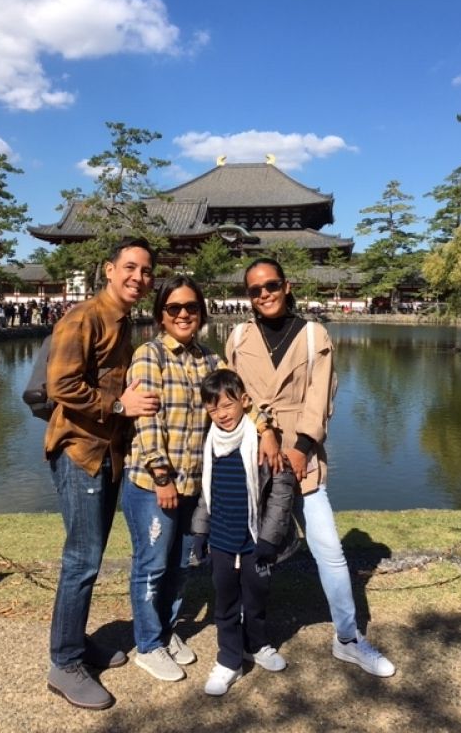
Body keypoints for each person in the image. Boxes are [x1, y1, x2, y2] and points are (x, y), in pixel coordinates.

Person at [227, 257, 395, 678]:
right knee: (252, 549)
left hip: (304, 456)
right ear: (247, 296)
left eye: (271, 285)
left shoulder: (312, 335)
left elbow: (321, 396)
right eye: (255, 289)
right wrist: (262, 428)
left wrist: (301, 447)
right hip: (255, 457)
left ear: (287, 286)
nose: (264, 294)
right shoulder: (238, 336)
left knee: (330, 550)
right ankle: (251, 636)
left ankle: (349, 638)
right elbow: (231, 397)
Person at [44, 237, 160, 710]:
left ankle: (77, 642)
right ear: (109, 270)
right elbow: (62, 384)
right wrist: (118, 404)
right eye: (130, 267)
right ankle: (64, 661)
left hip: (107, 451)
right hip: (80, 452)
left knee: (88, 556)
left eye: (147, 271)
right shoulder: (84, 317)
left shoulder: (122, 320)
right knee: (82, 560)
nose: (139, 277)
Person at [121, 274, 229, 683]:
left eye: (191, 308)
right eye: (174, 308)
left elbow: (233, 400)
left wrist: (266, 427)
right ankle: (148, 645)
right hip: (153, 484)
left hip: (194, 484)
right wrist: (161, 475)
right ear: (161, 315)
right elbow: (147, 420)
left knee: (181, 564)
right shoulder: (151, 355)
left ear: (201, 313)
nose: (183, 314)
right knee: (151, 564)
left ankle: (166, 631)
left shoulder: (209, 359)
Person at [192, 369, 297, 696]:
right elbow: (205, 494)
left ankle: (257, 644)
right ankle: (229, 660)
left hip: (255, 544)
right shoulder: (211, 444)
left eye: (227, 405)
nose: (221, 415)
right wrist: (200, 531)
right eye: (213, 409)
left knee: (255, 598)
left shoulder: (264, 442)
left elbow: (281, 492)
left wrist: (269, 539)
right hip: (222, 542)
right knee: (224, 602)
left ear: (245, 401)